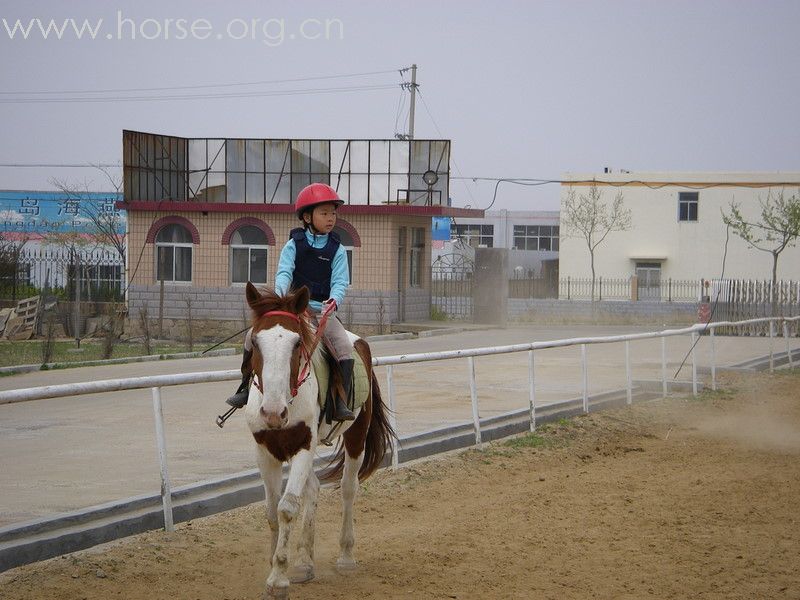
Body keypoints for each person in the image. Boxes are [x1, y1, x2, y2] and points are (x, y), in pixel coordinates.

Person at [224, 182, 355, 422]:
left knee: (345, 349)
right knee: (250, 337)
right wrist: (281, 299)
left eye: (333, 213)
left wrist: (334, 301)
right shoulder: (293, 244)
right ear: (307, 216)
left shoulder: (337, 249)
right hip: (293, 310)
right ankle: (244, 388)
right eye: (324, 213)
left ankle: (340, 402)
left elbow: (340, 281)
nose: (331, 218)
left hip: (323, 312)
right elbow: (284, 273)